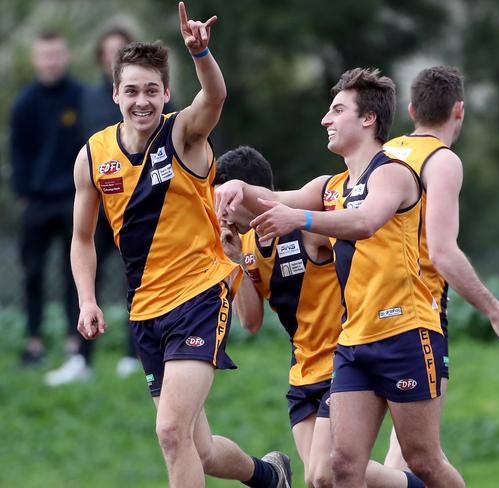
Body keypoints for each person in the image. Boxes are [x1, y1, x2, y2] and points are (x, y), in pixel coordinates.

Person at [70, 3, 291, 487]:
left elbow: (214, 96)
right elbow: (82, 239)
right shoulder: (94, 156)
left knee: (171, 431)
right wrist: (87, 300)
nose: (142, 101)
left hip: (199, 296)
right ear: (115, 94)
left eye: (152, 90)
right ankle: (269, 476)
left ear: (167, 93)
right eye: (131, 91)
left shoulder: (184, 134)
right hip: (146, 309)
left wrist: (201, 53)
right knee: (200, 449)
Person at [216, 68, 465, 487]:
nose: (325, 120)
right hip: (352, 344)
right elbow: (276, 198)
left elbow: (366, 221)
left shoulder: (392, 172)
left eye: (336, 110)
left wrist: (302, 217)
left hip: (403, 329)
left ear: (368, 119)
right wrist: (238, 185)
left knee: (422, 460)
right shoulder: (330, 186)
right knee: (337, 469)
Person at [217, 146, 426, 488]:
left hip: (343, 365)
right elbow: (250, 321)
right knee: (323, 481)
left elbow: (360, 235)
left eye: (223, 199)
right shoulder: (247, 246)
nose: (219, 212)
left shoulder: (304, 228)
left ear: (245, 197)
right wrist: (235, 261)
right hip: (302, 374)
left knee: (323, 472)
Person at [382, 65, 499, 468]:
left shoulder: (385, 152)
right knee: (410, 459)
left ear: (412, 109)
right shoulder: (442, 160)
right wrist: (496, 313)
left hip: (365, 316)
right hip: (416, 319)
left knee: (382, 460)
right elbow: (443, 252)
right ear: (460, 111)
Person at [46, 27, 145, 385]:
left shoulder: (152, 97)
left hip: (139, 209)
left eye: (122, 50)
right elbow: (81, 152)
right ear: (101, 58)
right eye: (109, 51)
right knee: (83, 277)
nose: (115, 57)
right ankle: (80, 356)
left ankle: (135, 355)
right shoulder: (88, 98)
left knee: (137, 280)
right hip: (99, 206)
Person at [10, 31, 85, 366]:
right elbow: (18, 153)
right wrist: (24, 195)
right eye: (45, 55)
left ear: (64, 56)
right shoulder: (24, 103)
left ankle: (75, 340)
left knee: (76, 271)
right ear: (35, 59)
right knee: (33, 273)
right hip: (37, 202)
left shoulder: (81, 97)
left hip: (74, 198)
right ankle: (34, 341)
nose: (51, 61)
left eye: (56, 54)